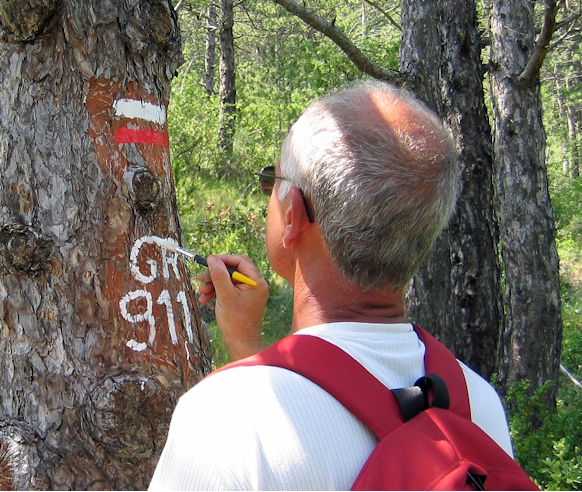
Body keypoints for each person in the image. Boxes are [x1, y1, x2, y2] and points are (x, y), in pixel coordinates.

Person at [148, 80, 513, 490]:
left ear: (294, 217)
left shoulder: (222, 420)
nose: (269, 193)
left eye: (273, 181)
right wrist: (247, 347)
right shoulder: (479, 407)